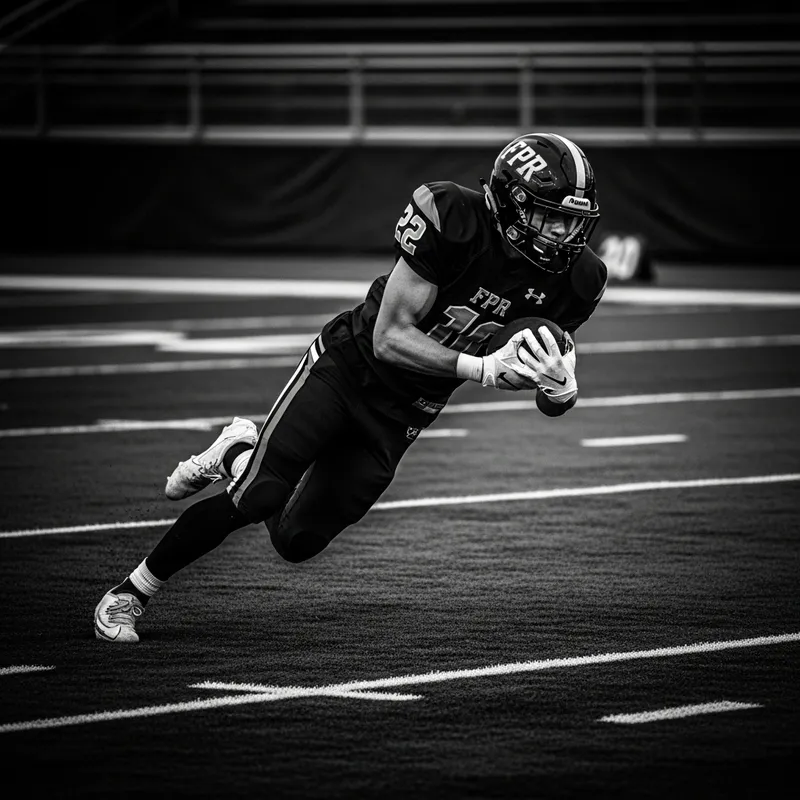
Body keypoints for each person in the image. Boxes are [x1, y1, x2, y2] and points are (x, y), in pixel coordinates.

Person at [94, 132, 607, 643]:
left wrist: (560, 391)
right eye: (550, 216)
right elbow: (389, 338)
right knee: (257, 495)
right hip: (348, 368)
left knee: (298, 541)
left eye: (574, 221)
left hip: (405, 409)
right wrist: (481, 368)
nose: (564, 234)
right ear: (510, 204)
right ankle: (129, 593)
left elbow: (543, 377)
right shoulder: (452, 217)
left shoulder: (580, 278)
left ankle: (235, 452)